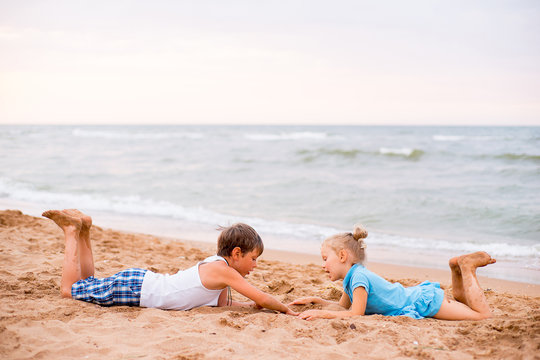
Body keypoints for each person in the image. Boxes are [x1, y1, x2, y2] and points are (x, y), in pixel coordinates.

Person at [43, 209, 297, 315]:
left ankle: (84, 229)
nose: (255, 266)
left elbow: (224, 305)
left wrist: (249, 306)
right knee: (69, 292)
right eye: (253, 259)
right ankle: (70, 231)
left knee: (88, 283)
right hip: (138, 290)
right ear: (237, 253)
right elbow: (262, 297)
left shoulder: (217, 267)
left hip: (140, 283)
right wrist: (286, 309)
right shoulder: (225, 272)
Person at [289, 225, 495, 320]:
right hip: (420, 297)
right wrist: (316, 301)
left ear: (342, 256)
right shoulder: (352, 278)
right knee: (462, 300)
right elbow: (342, 308)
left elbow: (355, 314)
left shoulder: (358, 279)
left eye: (326, 259)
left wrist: (320, 314)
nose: (323, 265)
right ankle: (456, 268)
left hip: (425, 303)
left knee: (482, 315)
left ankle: (467, 267)